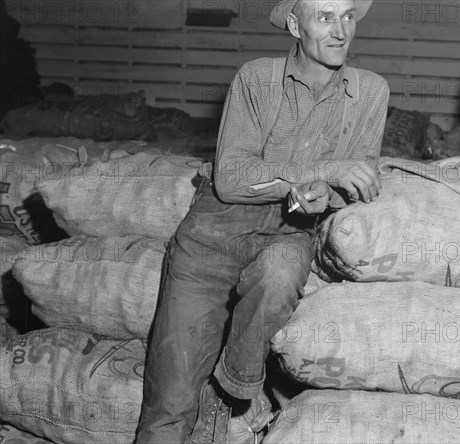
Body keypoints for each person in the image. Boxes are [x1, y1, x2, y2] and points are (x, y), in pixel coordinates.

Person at [136, 1, 389, 442]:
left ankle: (231, 386)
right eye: (325, 17)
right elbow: (232, 179)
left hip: (289, 229)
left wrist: (323, 196)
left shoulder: (370, 91)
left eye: (348, 16)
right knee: (170, 399)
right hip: (215, 230)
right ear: (294, 25)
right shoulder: (257, 78)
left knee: (281, 273)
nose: (340, 31)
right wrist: (326, 170)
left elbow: (358, 177)